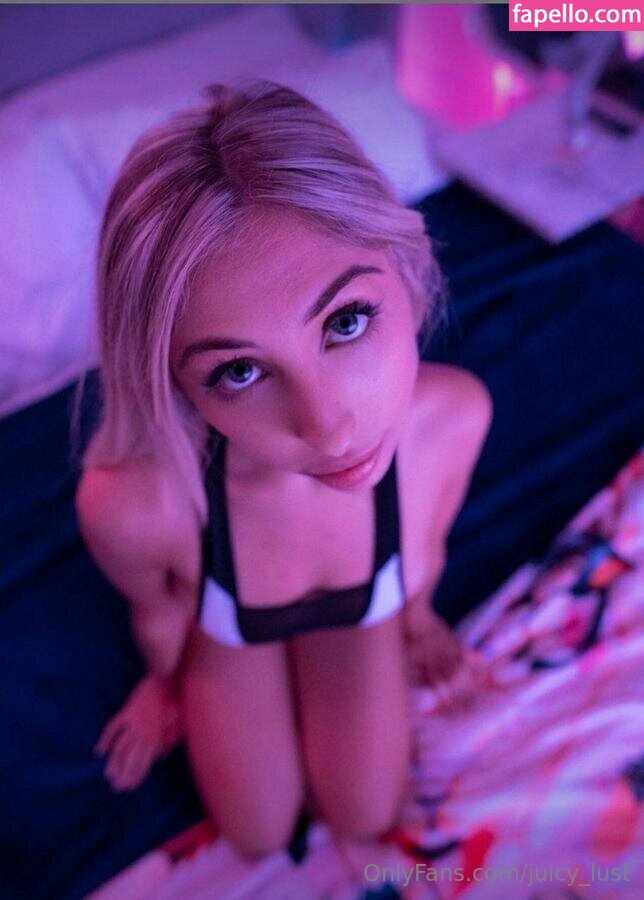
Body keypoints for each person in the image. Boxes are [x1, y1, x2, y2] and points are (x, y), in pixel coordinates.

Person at [75, 80, 492, 859]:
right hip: (228, 624)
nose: (327, 427)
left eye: (346, 321)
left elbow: (426, 543)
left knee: (364, 812)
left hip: (365, 608)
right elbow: (156, 610)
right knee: (256, 832)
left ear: (404, 266)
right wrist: (162, 681)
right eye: (238, 372)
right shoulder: (133, 505)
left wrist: (418, 616)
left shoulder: (455, 418)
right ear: (174, 384)